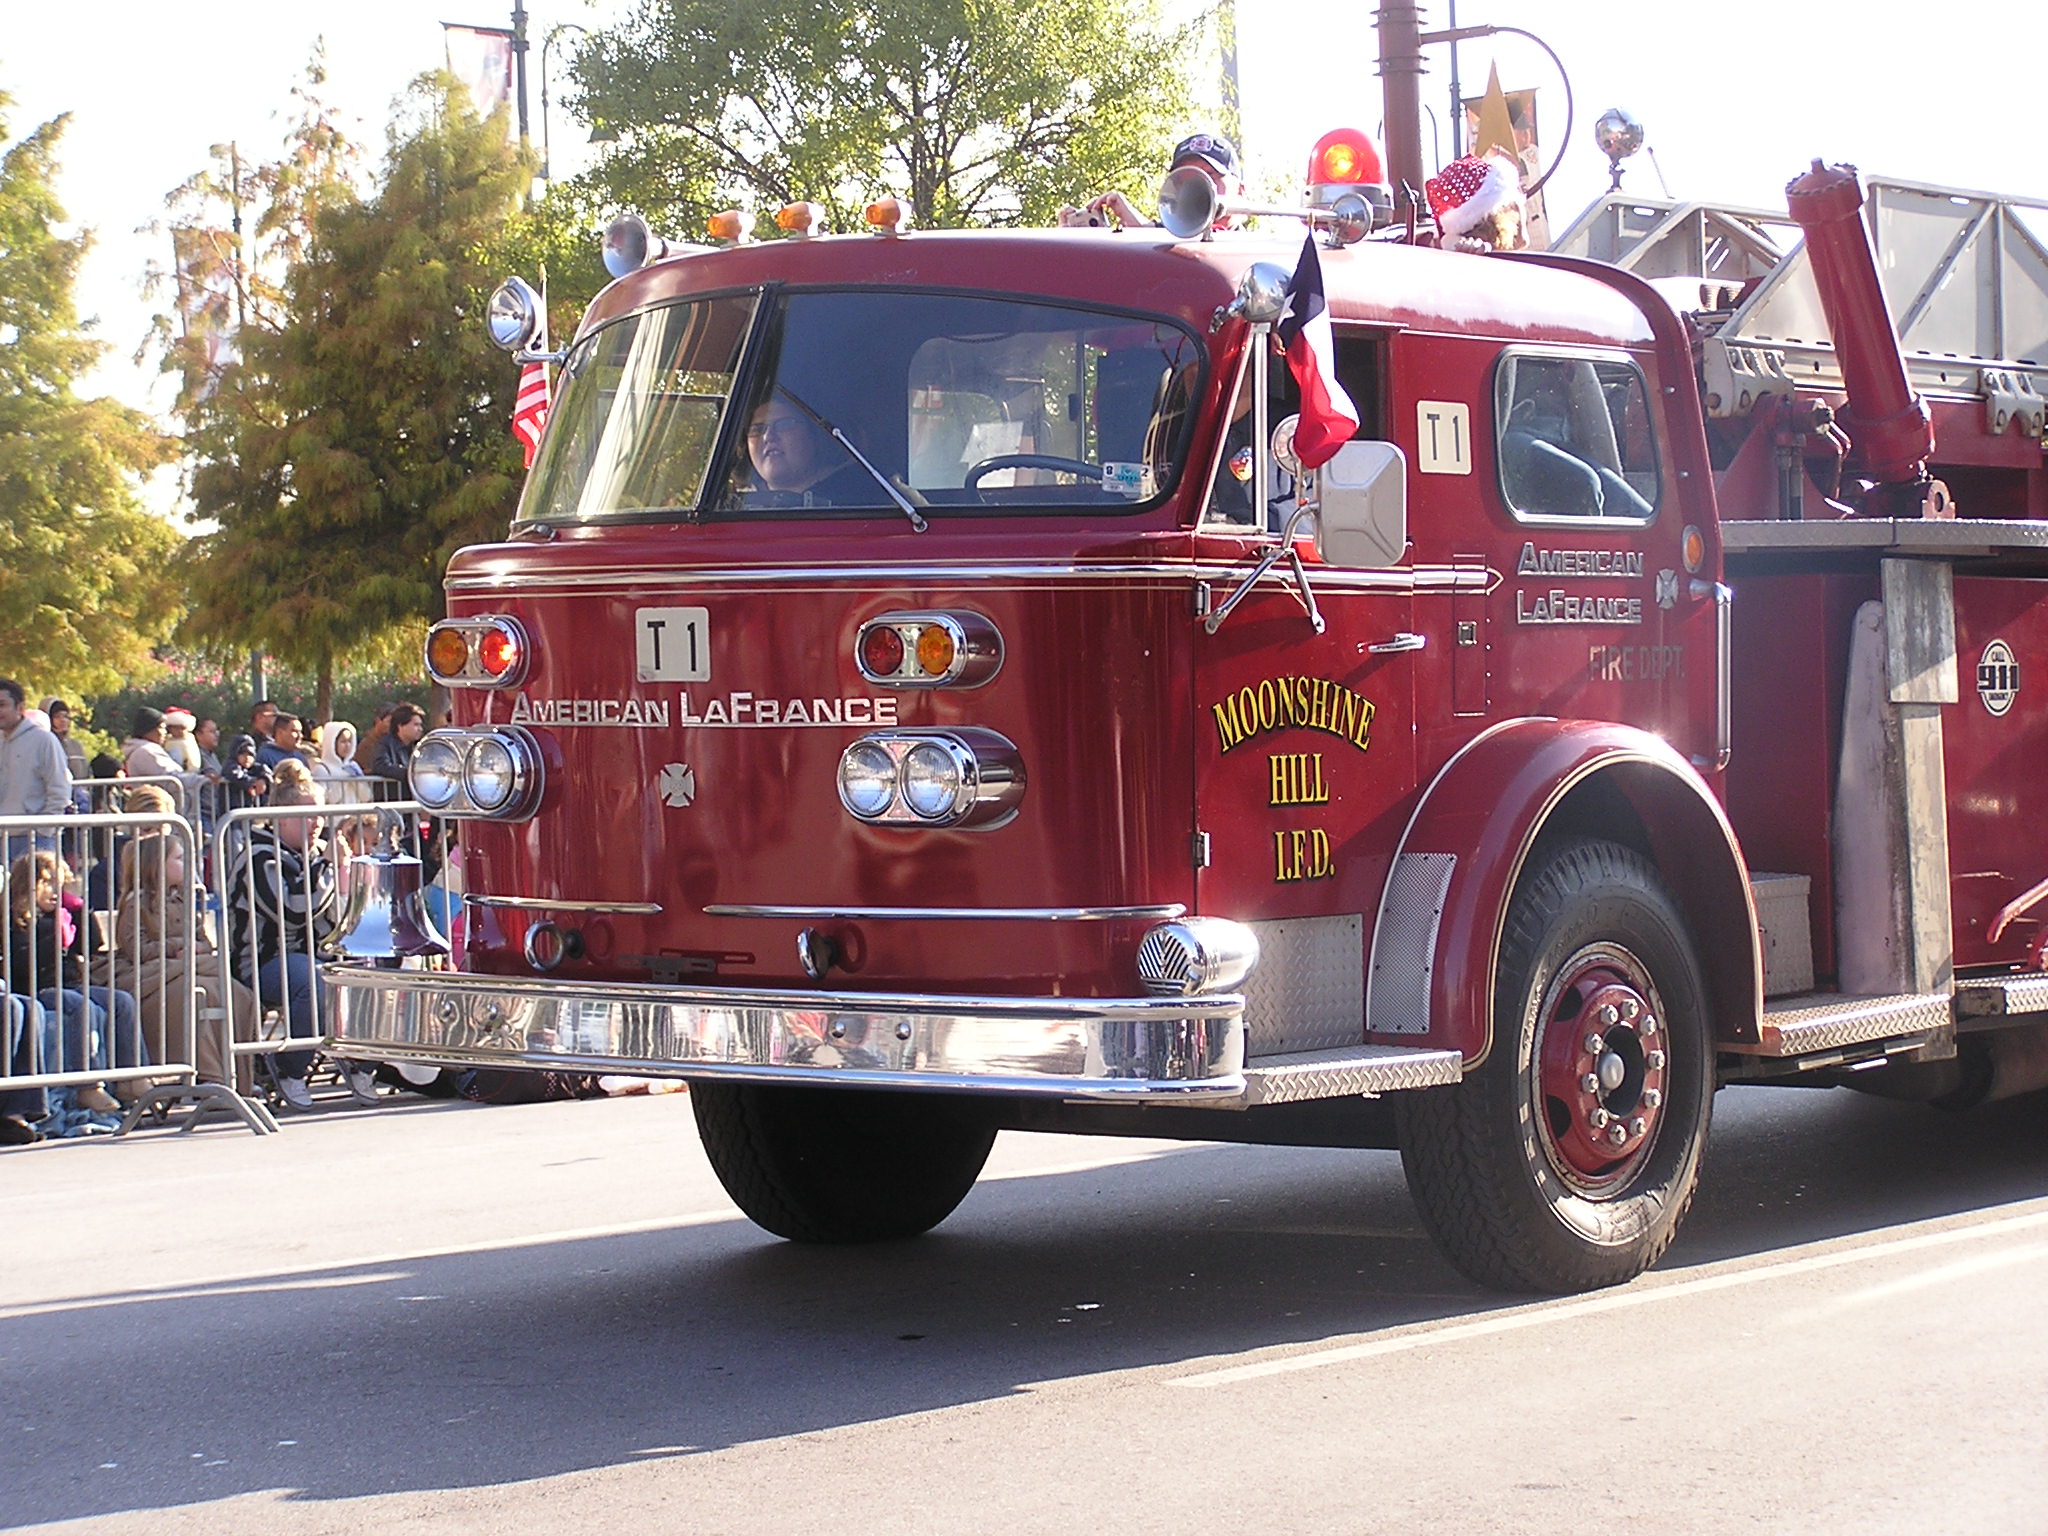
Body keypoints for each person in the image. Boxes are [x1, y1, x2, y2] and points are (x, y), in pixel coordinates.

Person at [222, 761, 376, 1110]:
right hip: (264, 960)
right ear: (281, 818)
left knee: (370, 969)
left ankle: (362, 1061)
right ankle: (289, 1069)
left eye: (320, 814)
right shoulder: (258, 856)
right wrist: (328, 868)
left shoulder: (317, 853)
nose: (317, 824)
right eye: (307, 816)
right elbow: (294, 909)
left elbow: (333, 918)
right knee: (313, 980)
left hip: (316, 951)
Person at [7, 850, 145, 1124]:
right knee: (80, 1006)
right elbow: (25, 963)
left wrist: (80, 911)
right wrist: (50, 930)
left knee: (121, 1001)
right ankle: (87, 1085)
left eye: (60, 884)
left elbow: (92, 945)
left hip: (69, 983)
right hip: (37, 989)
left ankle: (133, 1076)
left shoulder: (63, 914)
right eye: (48, 883)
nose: (55, 891)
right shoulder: (16, 919)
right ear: (28, 885)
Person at [117, 829, 259, 1093]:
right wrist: (178, 947)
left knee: (237, 993)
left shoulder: (183, 899)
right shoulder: (137, 903)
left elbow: (204, 941)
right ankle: (209, 1075)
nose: (187, 865)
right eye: (180, 858)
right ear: (156, 866)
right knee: (195, 998)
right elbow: (137, 949)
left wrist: (198, 947)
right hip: (154, 975)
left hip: (189, 966)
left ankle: (240, 1076)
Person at [1062, 132, 1243, 232]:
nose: (1198, 188)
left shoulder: (1261, 253)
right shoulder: (1162, 241)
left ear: (1240, 191)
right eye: (1185, 180)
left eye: (1210, 175)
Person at [733, 397, 878, 507]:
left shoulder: (861, 498)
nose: (768, 437)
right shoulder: (731, 507)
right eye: (757, 429)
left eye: (784, 425)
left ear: (814, 434)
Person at [0, 679, 73, 860]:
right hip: (3, 835)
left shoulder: (44, 740)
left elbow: (59, 790)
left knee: (36, 889)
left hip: (34, 839)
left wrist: (44, 831)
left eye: (2, 705)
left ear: (20, 707)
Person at [122, 705, 203, 808]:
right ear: (149, 729)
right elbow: (171, 779)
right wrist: (200, 780)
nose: (165, 733)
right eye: (162, 728)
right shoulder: (146, 752)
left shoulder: (146, 750)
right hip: (156, 809)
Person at [370, 703, 426, 787]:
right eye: (416, 725)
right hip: (392, 798)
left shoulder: (419, 747)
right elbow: (380, 766)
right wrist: (409, 773)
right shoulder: (384, 744)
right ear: (400, 726)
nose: (420, 729)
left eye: (420, 725)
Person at [223, 734, 272, 810]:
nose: (247, 757)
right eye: (242, 753)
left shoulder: (254, 767)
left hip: (250, 811)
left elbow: (267, 772)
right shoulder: (230, 765)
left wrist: (264, 779)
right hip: (232, 811)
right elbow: (234, 773)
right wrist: (251, 782)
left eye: (250, 754)